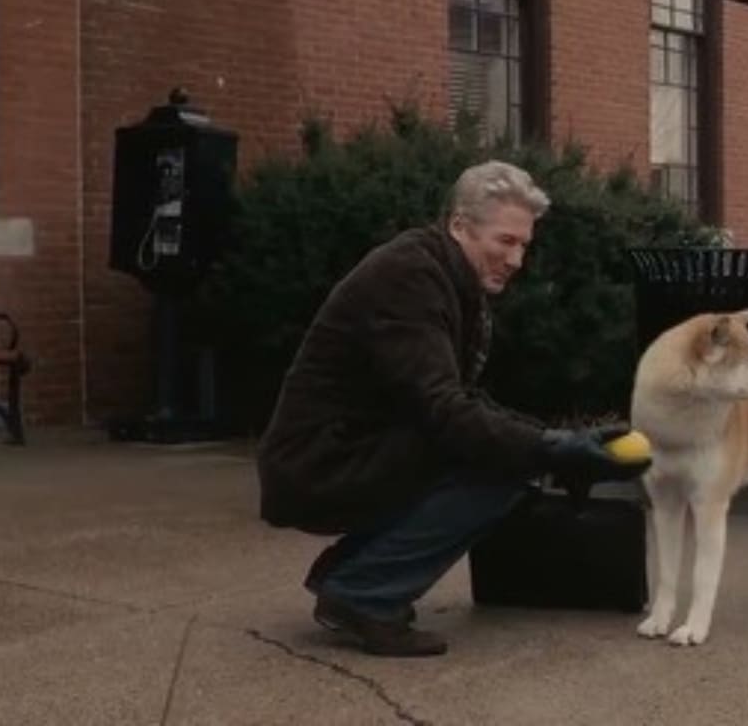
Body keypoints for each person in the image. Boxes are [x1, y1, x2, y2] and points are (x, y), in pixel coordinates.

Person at [256, 159, 649, 657]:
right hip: (317, 463)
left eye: (524, 244)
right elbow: (443, 411)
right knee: (498, 462)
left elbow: (461, 403)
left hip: (349, 450)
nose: (516, 259)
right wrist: (548, 448)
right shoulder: (410, 277)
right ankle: (365, 595)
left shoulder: (445, 276)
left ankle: (350, 578)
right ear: (460, 226)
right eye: (505, 241)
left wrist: (559, 443)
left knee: (504, 448)